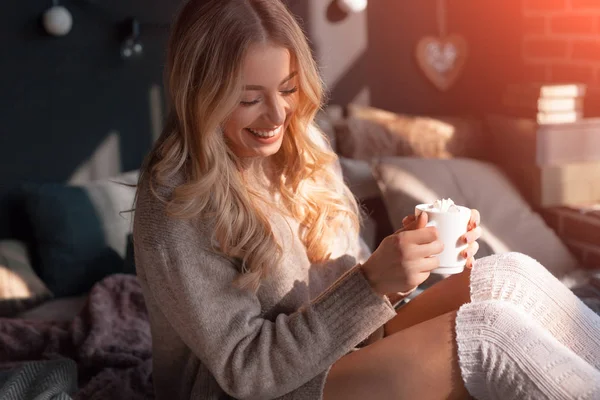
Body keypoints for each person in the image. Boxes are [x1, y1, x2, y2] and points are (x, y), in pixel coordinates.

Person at [132, 1, 600, 399]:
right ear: (201, 94)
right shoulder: (176, 198)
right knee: (489, 334)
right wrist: (372, 283)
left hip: (332, 354)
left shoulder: (301, 151)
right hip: (257, 388)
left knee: (508, 275)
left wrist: (400, 272)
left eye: (288, 89)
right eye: (248, 98)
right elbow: (246, 370)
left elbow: (348, 303)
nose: (277, 114)